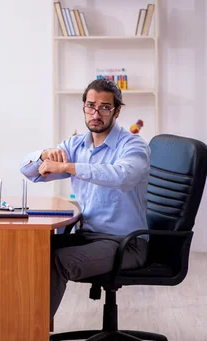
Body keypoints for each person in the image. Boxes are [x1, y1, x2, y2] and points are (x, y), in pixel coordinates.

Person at [20, 78, 151, 318]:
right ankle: (8, 330)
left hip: (125, 243)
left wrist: (70, 167)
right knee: (26, 250)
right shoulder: (76, 144)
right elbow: (28, 172)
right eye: (90, 106)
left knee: (58, 261)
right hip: (88, 236)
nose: (96, 113)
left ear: (117, 111)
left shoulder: (133, 146)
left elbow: (122, 176)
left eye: (104, 107)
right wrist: (43, 155)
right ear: (83, 107)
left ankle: (31, 340)